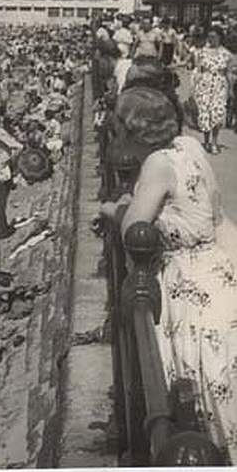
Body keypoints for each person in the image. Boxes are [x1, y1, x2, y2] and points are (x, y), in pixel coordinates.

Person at [100, 86, 237, 463]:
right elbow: (216, 217)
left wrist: (114, 208)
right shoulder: (190, 148)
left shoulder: (158, 164)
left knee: (198, 375)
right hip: (217, 271)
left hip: (186, 282)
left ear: (131, 129)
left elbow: (134, 229)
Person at [193, 27, 233, 154]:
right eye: (209, 36)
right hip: (204, 84)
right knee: (205, 113)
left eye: (214, 36)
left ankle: (214, 141)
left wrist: (231, 89)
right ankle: (205, 141)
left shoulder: (227, 54)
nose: (211, 39)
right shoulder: (202, 52)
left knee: (217, 113)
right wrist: (194, 87)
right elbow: (198, 71)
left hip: (219, 85)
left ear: (220, 37)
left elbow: (229, 74)